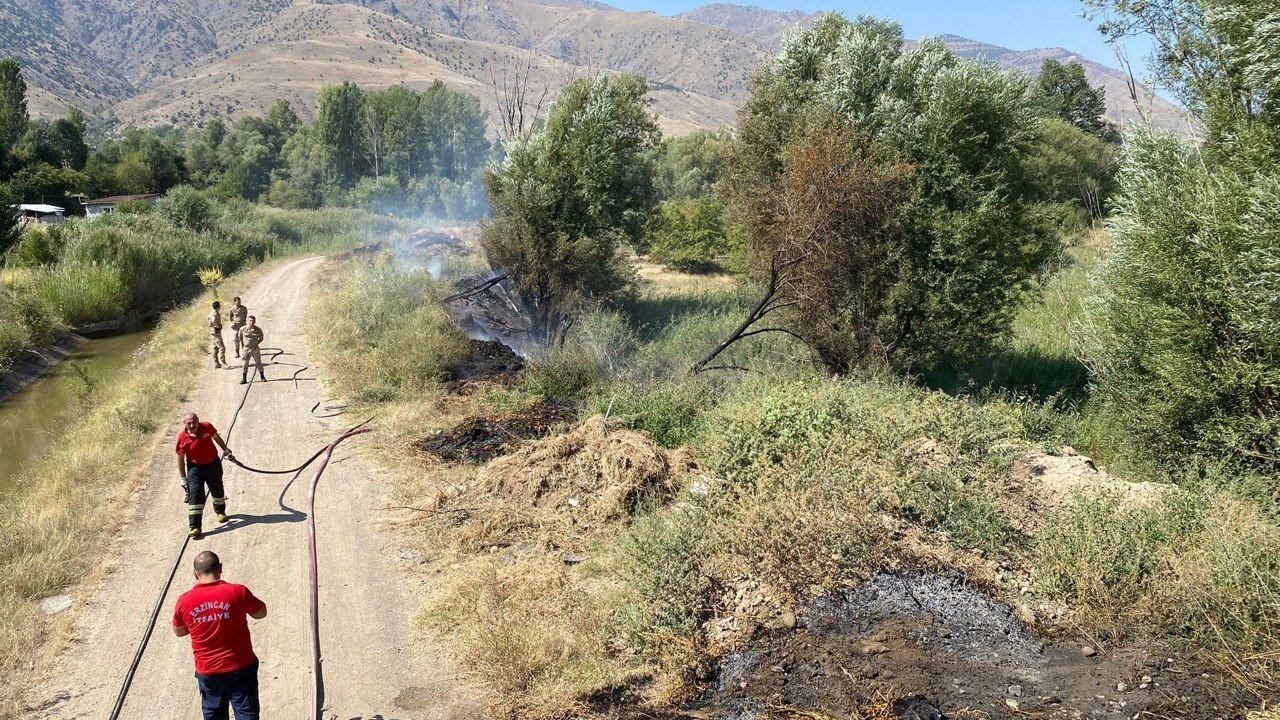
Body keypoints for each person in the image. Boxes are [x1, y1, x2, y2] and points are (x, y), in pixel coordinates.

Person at [173, 551, 267, 720]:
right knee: (246, 713)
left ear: (195, 574)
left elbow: (179, 632)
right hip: (241, 665)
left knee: (214, 715)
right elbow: (261, 613)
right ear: (220, 568)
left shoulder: (184, 601)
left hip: (208, 671)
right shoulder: (237, 592)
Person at [176, 412, 234, 539]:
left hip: (212, 464)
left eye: (194, 422)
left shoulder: (207, 427)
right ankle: (195, 526)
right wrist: (183, 478)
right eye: (189, 423)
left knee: (217, 489)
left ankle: (220, 512)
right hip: (195, 468)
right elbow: (180, 459)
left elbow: (217, 438)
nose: (192, 425)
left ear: (198, 420)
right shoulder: (182, 438)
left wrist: (225, 449)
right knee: (196, 495)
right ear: (184, 424)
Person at [238, 316, 266, 385]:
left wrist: (256, 344)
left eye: (253, 321)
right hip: (246, 349)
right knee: (245, 363)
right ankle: (244, 379)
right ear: (247, 321)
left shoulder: (258, 330)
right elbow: (240, 337)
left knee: (258, 362)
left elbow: (261, 338)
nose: (251, 322)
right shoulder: (243, 329)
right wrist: (243, 344)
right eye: (250, 320)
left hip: (255, 349)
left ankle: (262, 377)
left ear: (255, 321)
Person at [208, 301, 227, 369]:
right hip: (216, 333)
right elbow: (212, 322)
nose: (220, 307)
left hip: (213, 333)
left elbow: (208, 318)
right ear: (218, 307)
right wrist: (217, 326)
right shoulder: (215, 314)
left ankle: (216, 363)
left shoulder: (212, 313)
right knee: (222, 348)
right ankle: (223, 363)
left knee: (215, 347)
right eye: (220, 306)